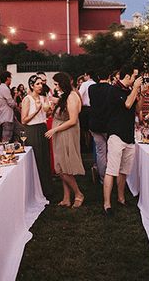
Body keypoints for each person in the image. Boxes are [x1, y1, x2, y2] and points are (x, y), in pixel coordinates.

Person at [103, 66, 142, 215]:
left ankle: (121, 198)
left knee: (124, 170)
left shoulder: (130, 90)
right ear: (127, 76)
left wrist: (140, 93)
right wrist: (135, 89)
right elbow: (126, 104)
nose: (136, 79)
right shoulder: (114, 90)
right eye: (134, 76)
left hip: (128, 135)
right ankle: (107, 204)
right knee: (112, 170)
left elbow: (136, 108)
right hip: (116, 135)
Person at [45, 72, 85, 208]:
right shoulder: (65, 96)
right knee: (61, 165)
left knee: (63, 168)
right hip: (60, 133)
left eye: (56, 84)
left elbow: (73, 120)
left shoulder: (72, 96)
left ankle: (78, 194)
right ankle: (66, 197)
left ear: (62, 83)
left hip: (66, 133)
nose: (54, 87)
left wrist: (54, 129)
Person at [21, 75, 53, 197]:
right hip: (32, 130)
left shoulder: (43, 97)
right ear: (32, 86)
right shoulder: (27, 99)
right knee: (37, 159)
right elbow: (24, 120)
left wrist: (49, 110)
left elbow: (47, 114)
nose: (41, 86)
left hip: (42, 128)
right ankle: (36, 191)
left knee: (45, 158)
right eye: (38, 84)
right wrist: (37, 110)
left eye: (41, 83)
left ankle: (47, 190)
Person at [88, 72, 111, 184]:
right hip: (108, 124)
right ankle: (110, 177)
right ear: (109, 77)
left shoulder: (91, 89)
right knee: (110, 152)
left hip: (95, 123)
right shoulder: (111, 89)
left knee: (100, 152)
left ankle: (103, 178)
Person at [0, 71, 18, 143]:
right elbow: (11, 103)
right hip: (7, 117)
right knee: (6, 139)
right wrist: (16, 103)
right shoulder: (5, 88)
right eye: (10, 78)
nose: (11, 80)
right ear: (7, 78)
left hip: (1, 116)